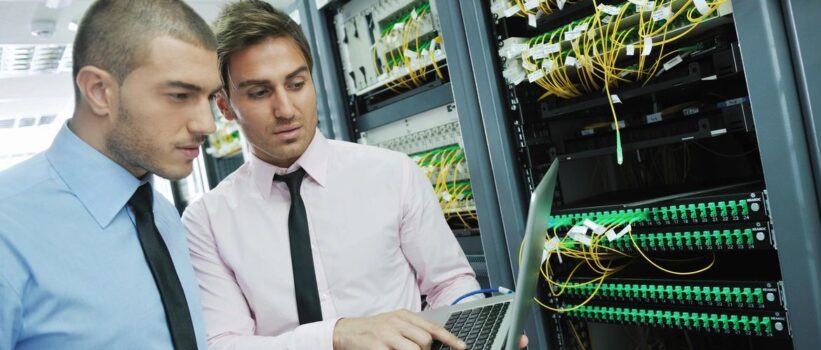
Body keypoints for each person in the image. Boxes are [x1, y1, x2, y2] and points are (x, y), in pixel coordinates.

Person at [181, 1, 488, 349]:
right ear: (225, 106)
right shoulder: (206, 221)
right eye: (260, 93)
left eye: (296, 84)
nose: (285, 109)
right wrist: (335, 336)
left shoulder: (392, 173)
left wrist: (471, 333)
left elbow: (449, 283)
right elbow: (223, 343)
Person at [0, 1, 223, 349]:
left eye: (209, 97)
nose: (206, 124)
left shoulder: (161, 216)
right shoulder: (7, 228)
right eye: (180, 95)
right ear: (99, 92)